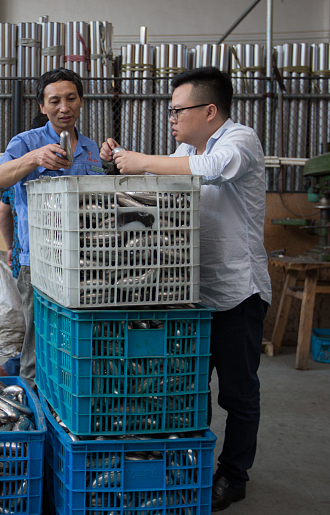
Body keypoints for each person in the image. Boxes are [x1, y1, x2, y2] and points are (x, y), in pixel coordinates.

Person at [100, 66, 271, 512]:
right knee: (186, 388)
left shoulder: (240, 140)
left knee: (238, 392)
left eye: (178, 110)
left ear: (210, 110)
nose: (172, 118)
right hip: (193, 293)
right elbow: (160, 187)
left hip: (239, 292)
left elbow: (213, 170)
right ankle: (187, 465)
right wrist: (120, 162)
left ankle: (233, 476)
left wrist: (143, 160)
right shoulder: (183, 150)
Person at [0, 68, 105, 384]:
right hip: (37, 263)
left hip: (84, 262)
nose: (63, 107)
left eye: (71, 98)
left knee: (76, 339)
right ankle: (32, 407)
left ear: (81, 101)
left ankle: (66, 402)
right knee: (37, 343)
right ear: (42, 107)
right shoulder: (26, 142)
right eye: (54, 101)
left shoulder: (91, 149)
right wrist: (34, 158)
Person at [0, 113, 49, 378]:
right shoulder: (21, 162)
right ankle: (24, 375)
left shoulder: (86, 150)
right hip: (32, 258)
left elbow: (3, 212)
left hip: (29, 254)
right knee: (38, 327)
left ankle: (20, 369)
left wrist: (9, 246)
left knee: (36, 325)